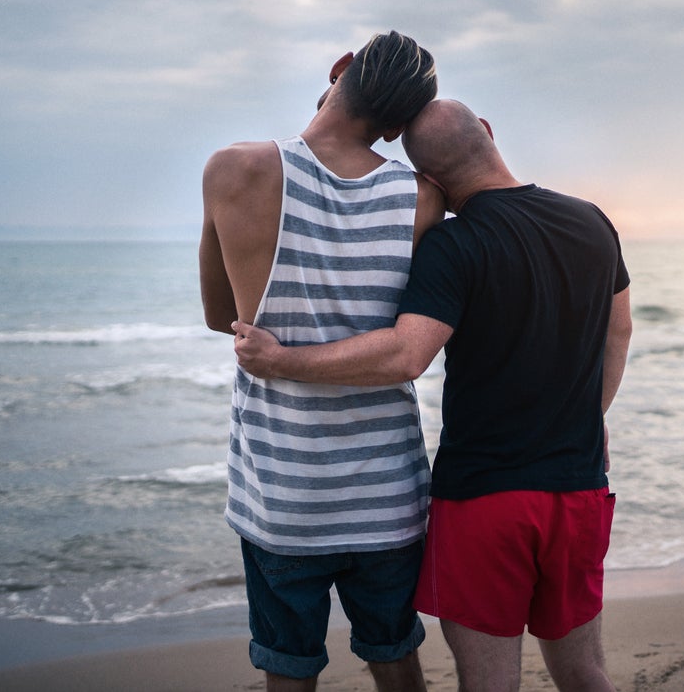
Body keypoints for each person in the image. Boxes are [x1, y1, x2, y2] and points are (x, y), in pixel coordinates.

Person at [232, 98, 634, 692]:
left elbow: (405, 354)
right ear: (490, 133)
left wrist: (282, 360)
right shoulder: (592, 220)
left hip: (485, 501)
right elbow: (619, 329)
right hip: (579, 488)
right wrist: (583, 418)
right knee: (584, 671)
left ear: (432, 184)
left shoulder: (454, 244)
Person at [199, 31, 444, 692]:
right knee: (394, 653)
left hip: (283, 491)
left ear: (339, 71)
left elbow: (218, 312)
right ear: (396, 126)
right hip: (385, 492)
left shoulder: (235, 167)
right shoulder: (421, 195)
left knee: (289, 664)